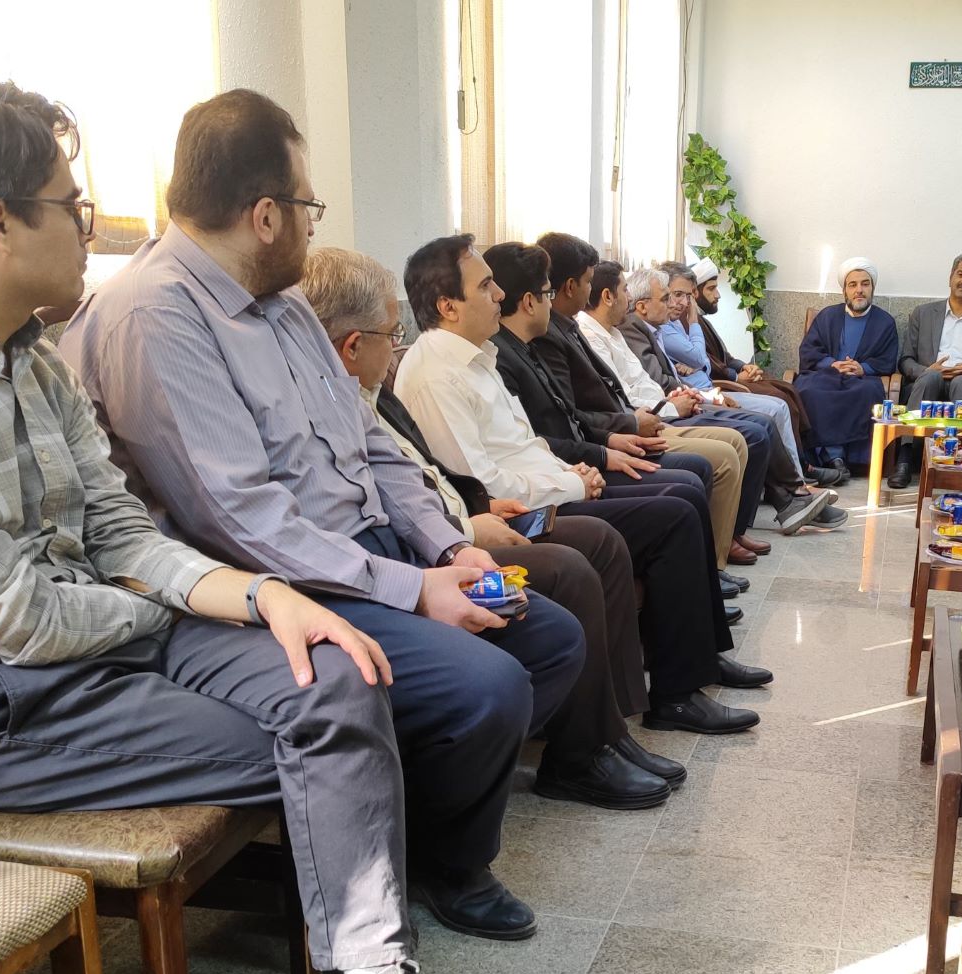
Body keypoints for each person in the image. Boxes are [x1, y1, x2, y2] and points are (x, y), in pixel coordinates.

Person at [0, 61, 509, 974]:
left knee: (340, 674)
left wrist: (260, 598)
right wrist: (196, 599)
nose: (89, 231)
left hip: (106, 635)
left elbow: (121, 529)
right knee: (332, 732)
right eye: (72, 208)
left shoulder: (32, 355)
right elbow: (13, 615)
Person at [65, 90, 585, 955]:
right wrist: (412, 589)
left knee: (550, 637)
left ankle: (407, 829)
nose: (314, 225)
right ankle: (447, 864)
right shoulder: (158, 314)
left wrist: (445, 546)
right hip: (286, 586)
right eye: (309, 206)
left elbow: (372, 441)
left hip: (369, 553)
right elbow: (236, 518)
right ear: (265, 215)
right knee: (487, 688)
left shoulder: (284, 306)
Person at [301, 246, 681, 810]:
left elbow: (425, 473)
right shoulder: (416, 375)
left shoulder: (376, 391)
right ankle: (583, 751)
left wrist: (467, 523)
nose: (500, 295)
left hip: (457, 526)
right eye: (485, 286)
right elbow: (397, 497)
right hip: (400, 560)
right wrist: (468, 528)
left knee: (636, 523)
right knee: (579, 559)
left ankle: (607, 733)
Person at [394, 234, 771, 733]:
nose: (500, 294)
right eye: (485, 286)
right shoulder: (437, 375)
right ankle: (675, 695)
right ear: (448, 306)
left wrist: (573, 471)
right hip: (518, 514)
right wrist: (574, 483)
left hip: (552, 486)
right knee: (673, 512)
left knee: (682, 494)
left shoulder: (476, 357)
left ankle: (698, 662)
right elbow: (484, 483)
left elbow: (527, 443)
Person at [522, 232, 754, 577]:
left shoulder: (578, 329)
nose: (629, 299)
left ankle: (716, 558)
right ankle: (712, 565)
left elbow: (626, 390)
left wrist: (664, 405)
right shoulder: (555, 337)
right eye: (624, 290)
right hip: (609, 439)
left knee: (743, 434)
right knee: (707, 467)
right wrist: (626, 432)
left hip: (629, 425)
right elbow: (562, 423)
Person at [618, 265, 845, 532]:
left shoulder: (652, 327)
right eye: (669, 297)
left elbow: (710, 360)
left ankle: (793, 495)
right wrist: (704, 392)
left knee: (777, 404)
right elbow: (669, 378)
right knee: (760, 425)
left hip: (692, 397)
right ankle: (789, 497)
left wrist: (731, 372)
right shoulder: (635, 328)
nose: (677, 303)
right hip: (676, 408)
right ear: (640, 306)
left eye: (682, 296)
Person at [656, 261, 813, 491]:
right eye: (676, 295)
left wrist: (743, 367)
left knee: (783, 395)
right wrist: (732, 377)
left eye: (687, 296)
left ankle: (799, 477)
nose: (682, 302)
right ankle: (793, 487)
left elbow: (713, 359)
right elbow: (700, 359)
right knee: (770, 413)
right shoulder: (677, 322)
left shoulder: (678, 321)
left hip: (710, 388)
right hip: (704, 393)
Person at [690, 257, 823, 479]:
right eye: (711, 289)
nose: (718, 295)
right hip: (719, 385)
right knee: (778, 398)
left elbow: (725, 357)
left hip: (730, 377)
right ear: (696, 293)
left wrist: (746, 366)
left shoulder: (701, 320)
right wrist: (736, 376)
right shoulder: (689, 323)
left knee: (787, 388)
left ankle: (804, 461)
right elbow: (705, 362)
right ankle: (796, 471)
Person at [890, 253, 962, 487]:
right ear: (950, 277)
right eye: (960, 274)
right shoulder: (923, 313)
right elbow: (905, 360)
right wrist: (927, 370)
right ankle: (905, 460)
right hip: (927, 381)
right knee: (931, 378)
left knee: (961, 382)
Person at [795, 257, 900, 483]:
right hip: (825, 374)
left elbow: (887, 360)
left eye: (865, 284)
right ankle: (833, 458)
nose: (859, 290)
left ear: (872, 288)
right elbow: (808, 351)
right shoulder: (827, 316)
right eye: (853, 285)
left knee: (866, 393)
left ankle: (844, 460)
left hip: (862, 379)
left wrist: (863, 367)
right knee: (808, 391)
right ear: (844, 290)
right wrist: (831, 363)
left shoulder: (885, 322)